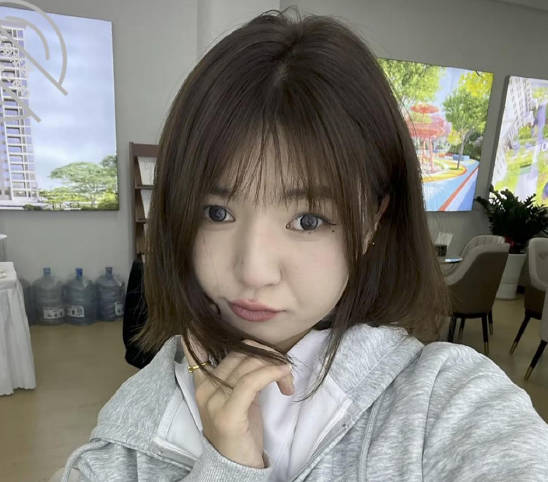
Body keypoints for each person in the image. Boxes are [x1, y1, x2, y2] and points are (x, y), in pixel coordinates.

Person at [57, 7, 548, 481]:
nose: (253, 271)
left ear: (373, 219)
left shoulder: (448, 405)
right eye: (217, 213)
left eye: (308, 220)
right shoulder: (135, 421)